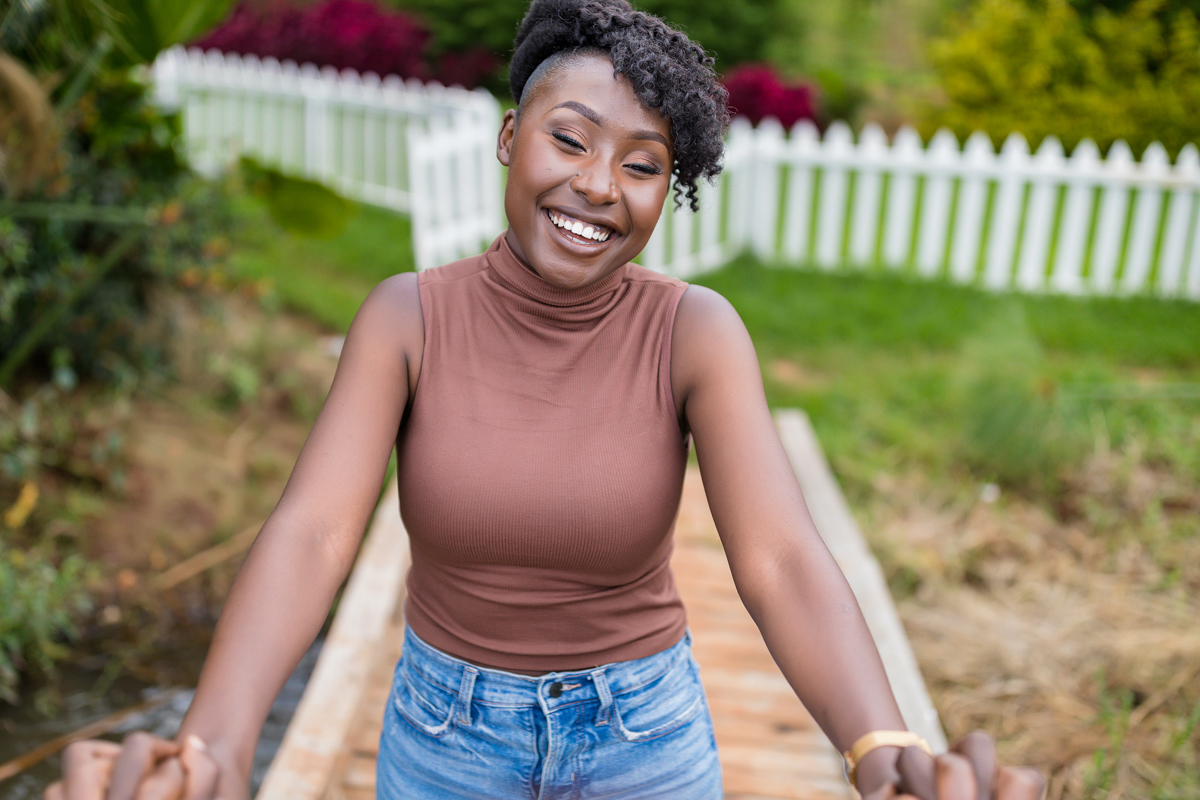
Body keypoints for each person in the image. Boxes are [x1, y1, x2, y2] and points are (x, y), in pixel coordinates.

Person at [47, 1, 1047, 798]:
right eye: (571, 140)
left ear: (669, 188)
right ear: (511, 137)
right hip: (445, 739)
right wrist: (215, 744)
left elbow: (781, 556)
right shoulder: (407, 320)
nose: (601, 185)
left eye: (644, 164)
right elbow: (313, 531)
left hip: (643, 737)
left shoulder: (695, 331)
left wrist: (878, 743)